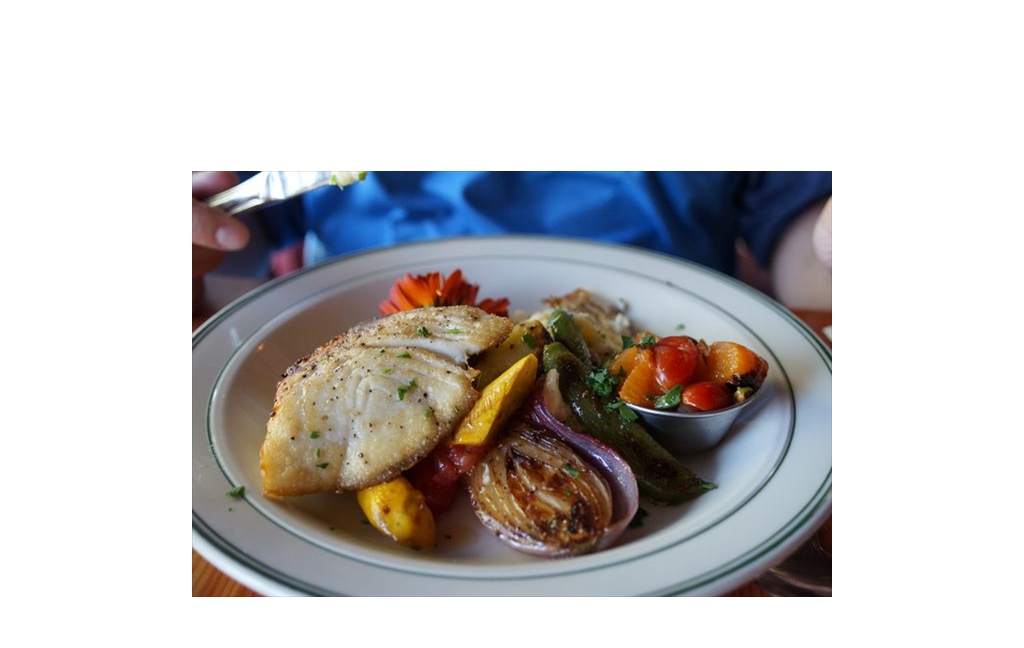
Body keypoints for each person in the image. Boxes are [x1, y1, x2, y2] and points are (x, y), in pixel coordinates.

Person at [192, 171, 831, 314]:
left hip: (669, 335)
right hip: (360, 318)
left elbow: (803, 250)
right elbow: (228, 247)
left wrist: (832, 242)